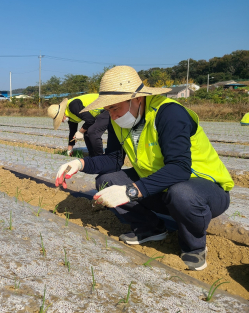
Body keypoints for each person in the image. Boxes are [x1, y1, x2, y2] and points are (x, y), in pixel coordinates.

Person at [55, 66, 233, 271]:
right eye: (108, 109)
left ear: (137, 99)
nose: (111, 115)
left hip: (203, 191)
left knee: (182, 193)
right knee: (107, 180)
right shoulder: (119, 121)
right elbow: (113, 160)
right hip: (161, 187)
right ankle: (150, 228)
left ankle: (194, 246)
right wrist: (80, 163)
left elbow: (180, 169)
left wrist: (130, 190)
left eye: (115, 108)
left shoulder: (169, 114)